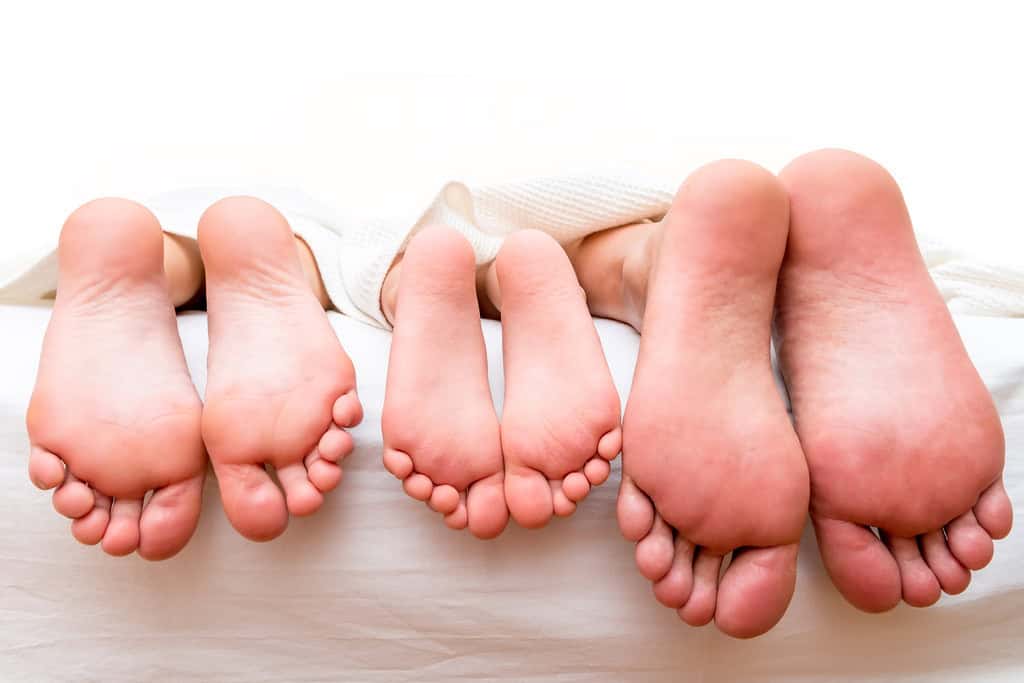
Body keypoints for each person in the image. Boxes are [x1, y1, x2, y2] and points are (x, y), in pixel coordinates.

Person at [24, 149, 1011, 639]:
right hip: (610, 207)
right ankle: (637, 265)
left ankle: (184, 262)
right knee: (561, 244)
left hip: (318, 221)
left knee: (320, 239)